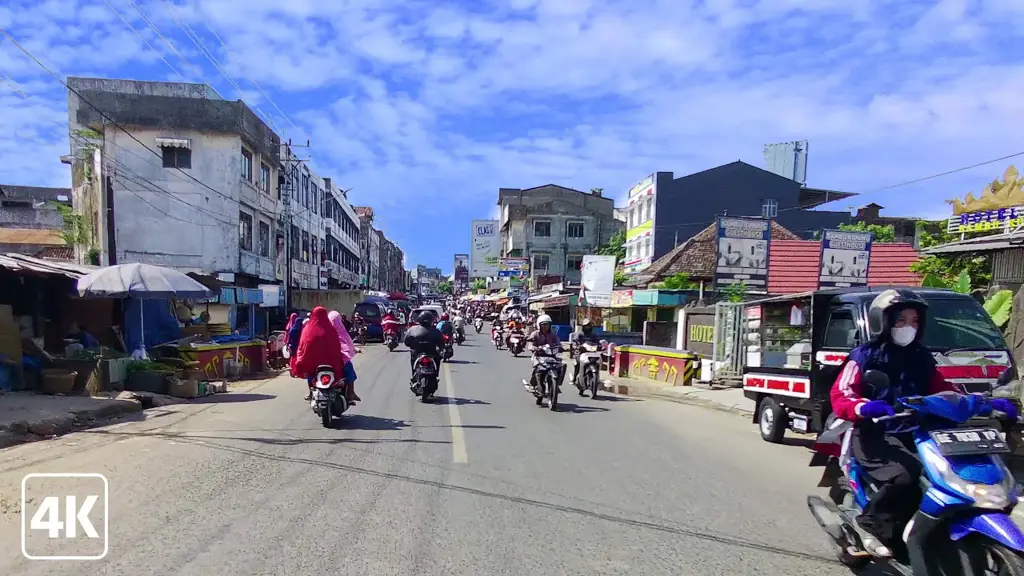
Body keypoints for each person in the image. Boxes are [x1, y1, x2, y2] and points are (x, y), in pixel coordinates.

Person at [829, 288, 1018, 556]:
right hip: (876, 432)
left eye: (915, 321)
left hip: (918, 430)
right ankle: (869, 524)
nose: (909, 327)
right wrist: (865, 407)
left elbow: (944, 390)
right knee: (906, 475)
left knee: (950, 474)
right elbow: (842, 393)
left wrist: (985, 403)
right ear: (883, 321)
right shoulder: (865, 355)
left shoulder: (921, 356)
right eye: (901, 320)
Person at [294, 307, 345, 402]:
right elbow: (337, 347)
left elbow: (302, 347)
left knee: (310, 373)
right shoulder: (331, 329)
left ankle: (310, 391)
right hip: (331, 363)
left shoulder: (307, 330)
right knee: (344, 370)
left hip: (312, 363)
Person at [328, 310, 361, 402]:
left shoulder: (323, 330)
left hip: (323, 361)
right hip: (338, 361)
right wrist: (354, 350)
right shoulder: (340, 331)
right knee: (349, 369)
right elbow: (346, 345)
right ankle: (351, 393)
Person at [403, 310, 444, 383]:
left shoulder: (412, 329)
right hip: (431, 353)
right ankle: (435, 373)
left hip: (417, 353)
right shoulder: (436, 331)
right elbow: (441, 344)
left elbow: (406, 342)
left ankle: (414, 375)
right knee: (438, 358)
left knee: (413, 359)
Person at [526, 314, 563, 392]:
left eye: (547, 325)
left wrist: (560, 347)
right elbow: (530, 345)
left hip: (551, 356)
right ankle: (533, 384)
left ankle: (556, 383)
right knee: (537, 368)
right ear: (539, 325)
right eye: (543, 325)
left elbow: (558, 343)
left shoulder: (553, 335)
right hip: (538, 356)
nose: (546, 327)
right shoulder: (535, 334)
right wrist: (535, 348)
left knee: (561, 366)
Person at [569, 318, 602, 385]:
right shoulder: (579, 335)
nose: (588, 327)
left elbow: (598, 343)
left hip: (591, 353)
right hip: (580, 353)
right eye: (586, 325)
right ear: (583, 327)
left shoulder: (593, 335)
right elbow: (575, 342)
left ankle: (597, 378)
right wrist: (577, 346)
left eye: (589, 325)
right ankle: (574, 378)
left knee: (598, 361)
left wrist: (600, 346)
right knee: (577, 364)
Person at [286, 312, 304, 377]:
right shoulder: (301, 329)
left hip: (292, 346)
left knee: (292, 359)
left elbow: (288, 337)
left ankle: (293, 371)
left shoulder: (292, 329)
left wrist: (288, 344)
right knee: (297, 359)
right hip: (298, 346)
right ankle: (296, 371)